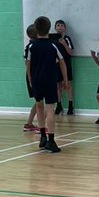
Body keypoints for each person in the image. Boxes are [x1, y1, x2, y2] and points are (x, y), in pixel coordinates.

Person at [27, 16, 66, 153]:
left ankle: (42, 137)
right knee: (50, 108)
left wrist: (31, 81)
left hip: (37, 80)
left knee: (39, 106)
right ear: (49, 29)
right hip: (50, 80)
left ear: (36, 29)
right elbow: (62, 63)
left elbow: (28, 66)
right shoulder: (53, 45)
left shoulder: (31, 46)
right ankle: (51, 140)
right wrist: (65, 80)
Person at [50, 19, 75, 115]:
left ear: (65, 28)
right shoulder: (52, 39)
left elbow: (70, 52)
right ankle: (59, 105)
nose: (60, 27)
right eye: (58, 25)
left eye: (61, 25)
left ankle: (70, 106)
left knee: (67, 84)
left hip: (66, 64)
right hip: (56, 65)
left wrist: (64, 44)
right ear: (55, 28)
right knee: (58, 85)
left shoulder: (67, 38)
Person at [22, 23, 41, 132]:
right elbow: (27, 64)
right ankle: (41, 126)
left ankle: (29, 124)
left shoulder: (31, 45)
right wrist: (31, 79)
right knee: (43, 102)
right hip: (35, 75)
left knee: (38, 101)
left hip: (34, 75)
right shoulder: (32, 47)